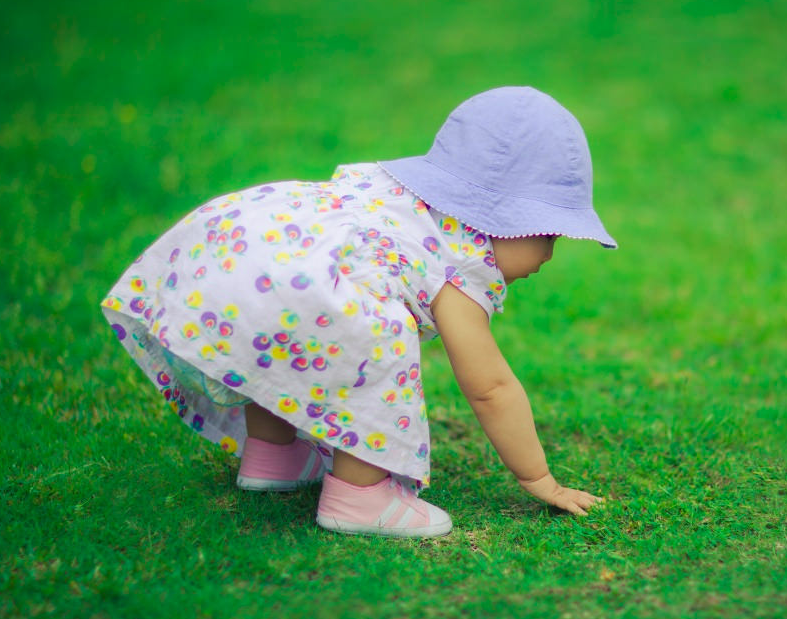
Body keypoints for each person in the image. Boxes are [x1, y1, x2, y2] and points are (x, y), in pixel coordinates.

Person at [100, 86, 616, 538]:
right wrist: (538, 479)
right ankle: (360, 496)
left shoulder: (401, 198)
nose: (549, 255)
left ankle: (273, 455)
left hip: (257, 248)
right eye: (548, 234)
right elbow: (490, 387)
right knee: (373, 339)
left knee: (292, 330)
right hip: (315, 285)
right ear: (501, 221)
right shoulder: (461, 262)